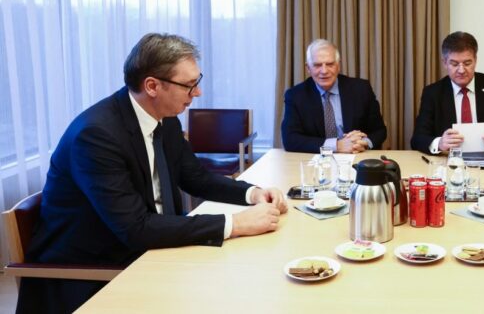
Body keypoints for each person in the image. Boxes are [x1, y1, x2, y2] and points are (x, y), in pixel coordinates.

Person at [16, 33, 288, 313]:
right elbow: (135, 229)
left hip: (151, 248)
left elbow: (195, 176)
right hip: (94, 270)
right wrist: (236, 224)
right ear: (152, 86)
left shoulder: (164, 118)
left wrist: (252, 193)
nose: (197, 92)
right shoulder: (96, 136)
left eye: (197, 81)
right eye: (189, 85)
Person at [410, 31, 484, 154]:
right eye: (454, 64)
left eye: (467, 63)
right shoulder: (433, 93)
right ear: (445, 62)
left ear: (475, 60)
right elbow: (417, 138)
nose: (461, 70)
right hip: (448, 163)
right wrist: (439, 143)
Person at [281, 39, 387, 153]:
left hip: (356, 157)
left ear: (338, 65)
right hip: (315, 162)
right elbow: (290, 139)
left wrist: (364, 143)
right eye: (317, 65)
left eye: (330, 64)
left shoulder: (361, 89)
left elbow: (379, 131)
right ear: (308, 68)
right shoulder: (295, 95)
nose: (324, 71)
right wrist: (336, 145)